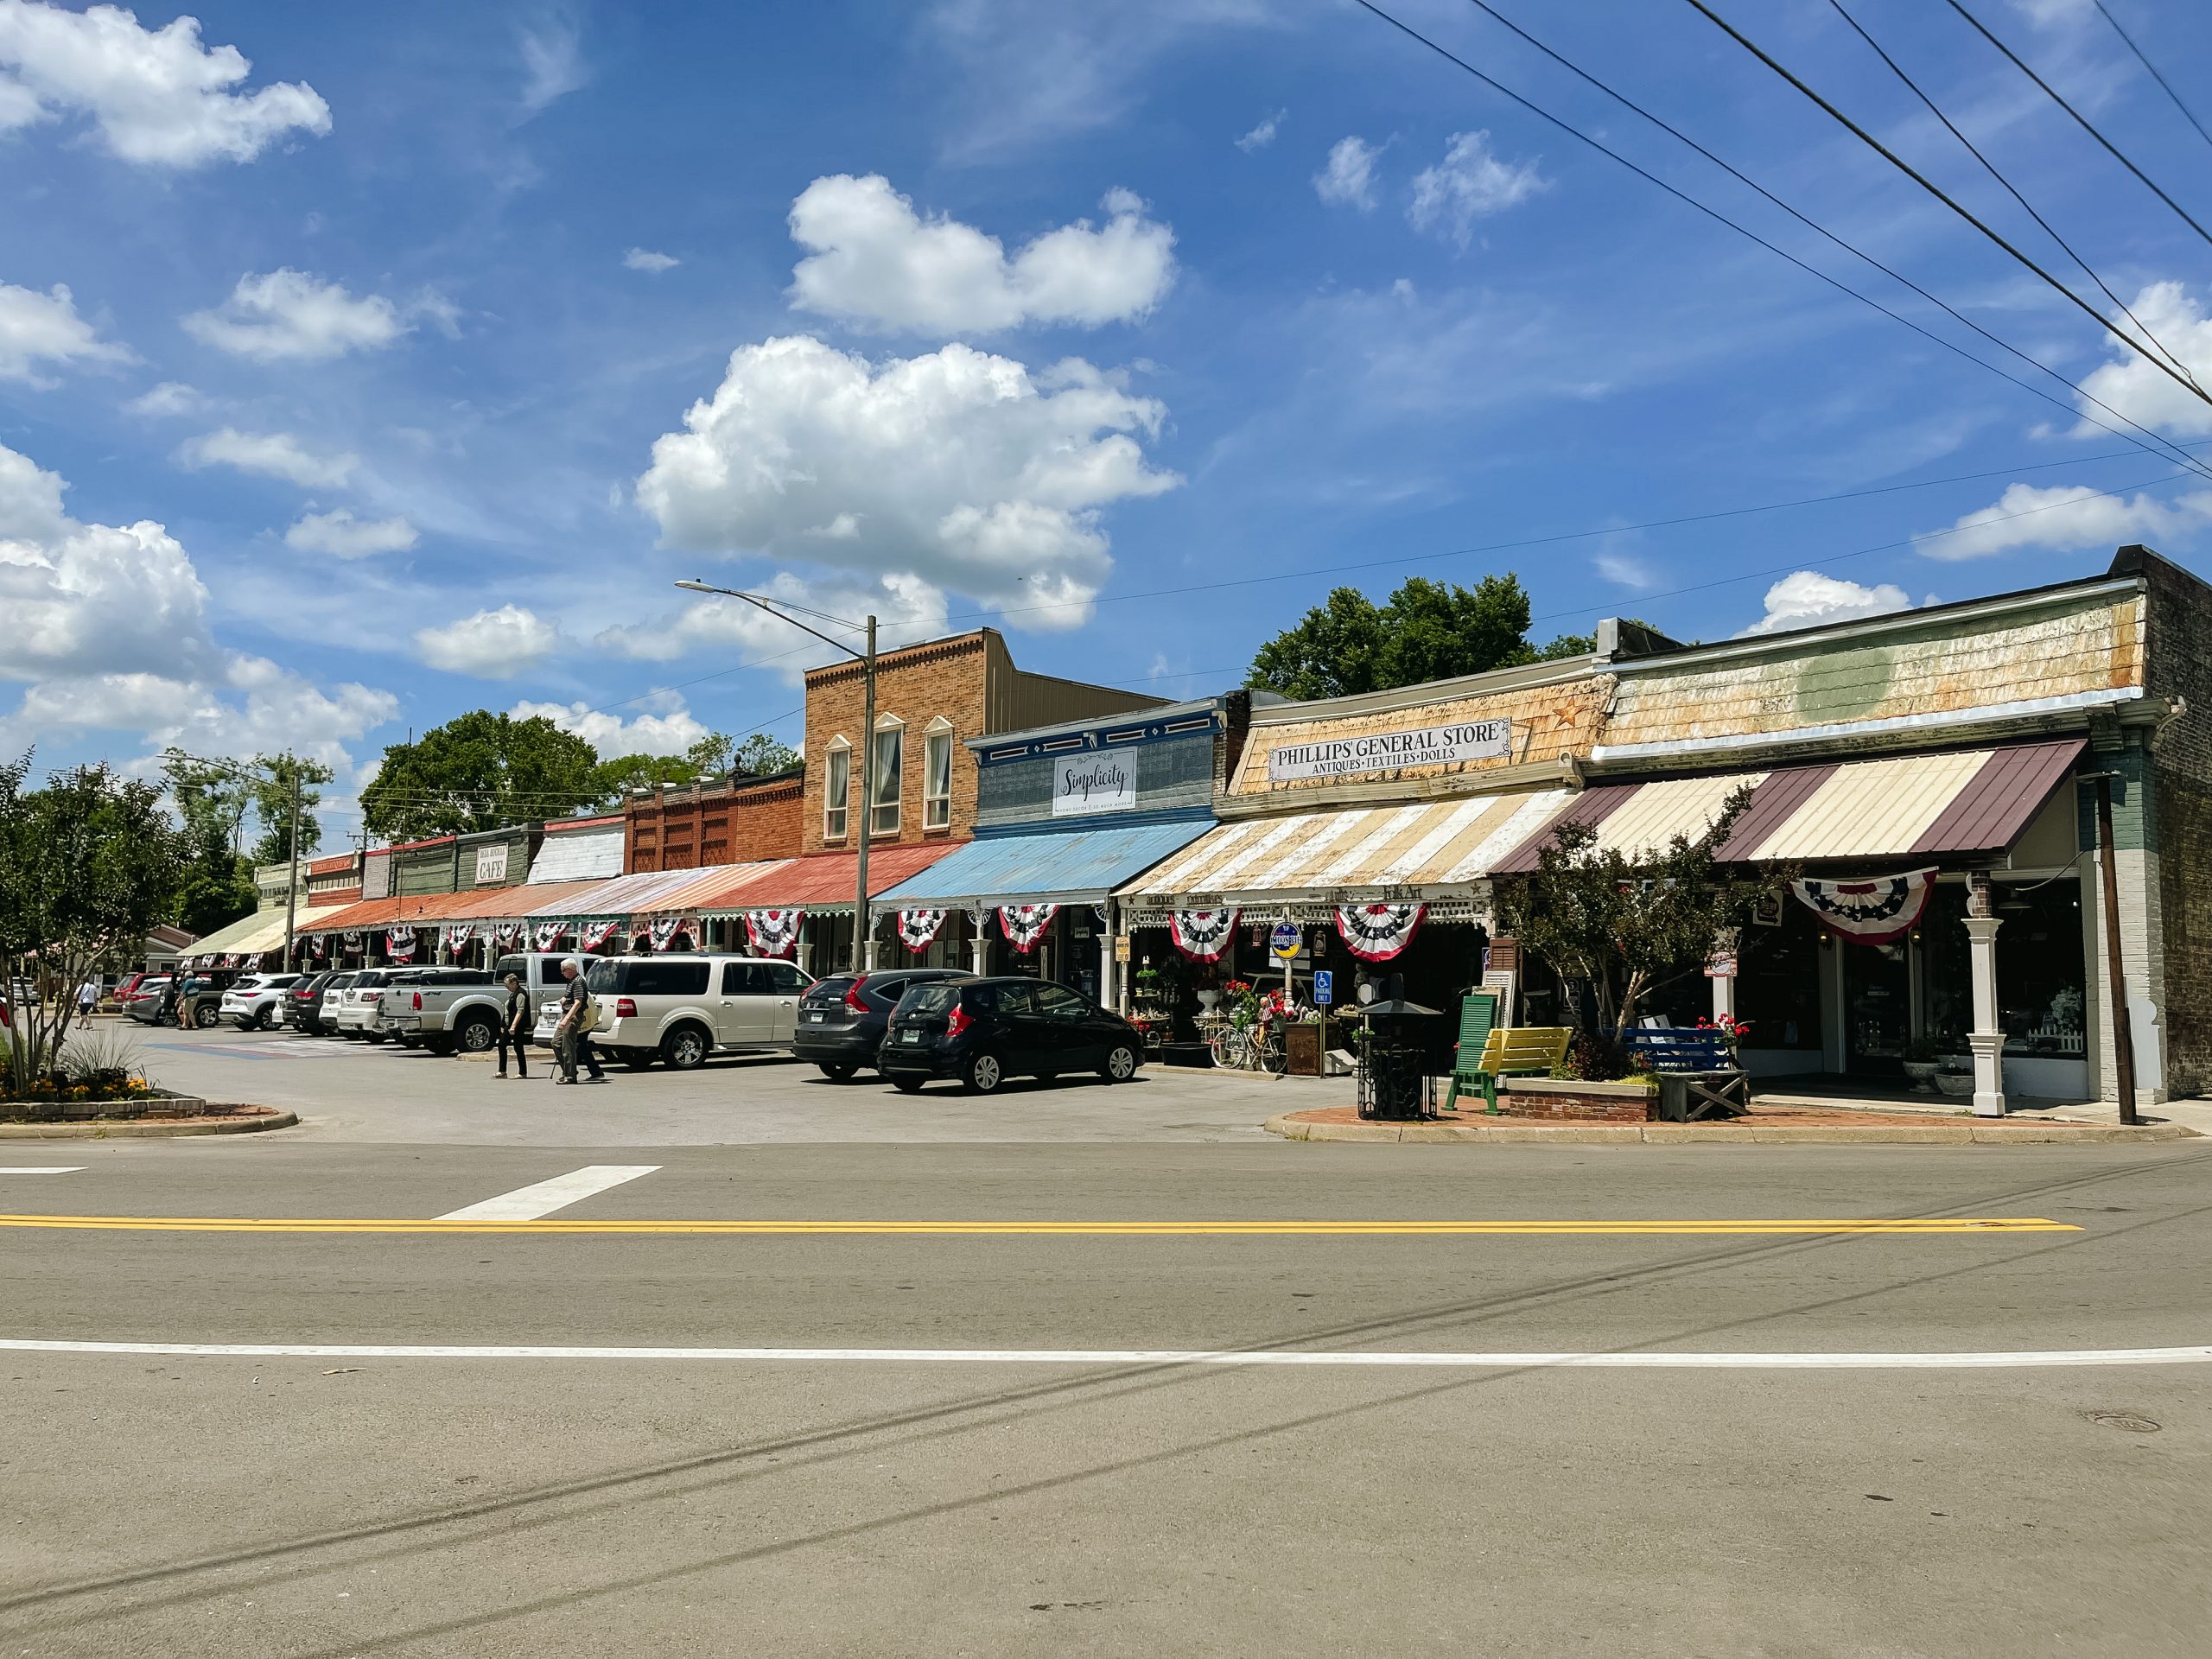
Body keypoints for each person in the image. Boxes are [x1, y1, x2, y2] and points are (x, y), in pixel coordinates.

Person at [553, 957, 605, 1084]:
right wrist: (564, 998)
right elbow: (571, 997)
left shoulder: (578, 981)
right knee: (556, 1042)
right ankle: (569, 1070)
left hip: (574, 1016)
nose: (562, 973)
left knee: (568, 1046)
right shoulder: (571, 981)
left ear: (571, 970)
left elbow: (578, 1003)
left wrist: (566, 1019)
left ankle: (570, 1076)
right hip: (568, 1014)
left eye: (563, 970)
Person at [496, 971, 531, 1080]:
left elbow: (520, 1011)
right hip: (508, 1025)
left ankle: (523, 1072)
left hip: (517, 1026)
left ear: (514, 983)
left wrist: (513, 1026)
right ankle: (502, 1071)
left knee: (518, 1047)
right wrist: (503, 1024)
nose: (507, 987)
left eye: (508, 985)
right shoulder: (513, 994)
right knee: (501, 1045)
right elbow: (507, 1010)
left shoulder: (520, 994)